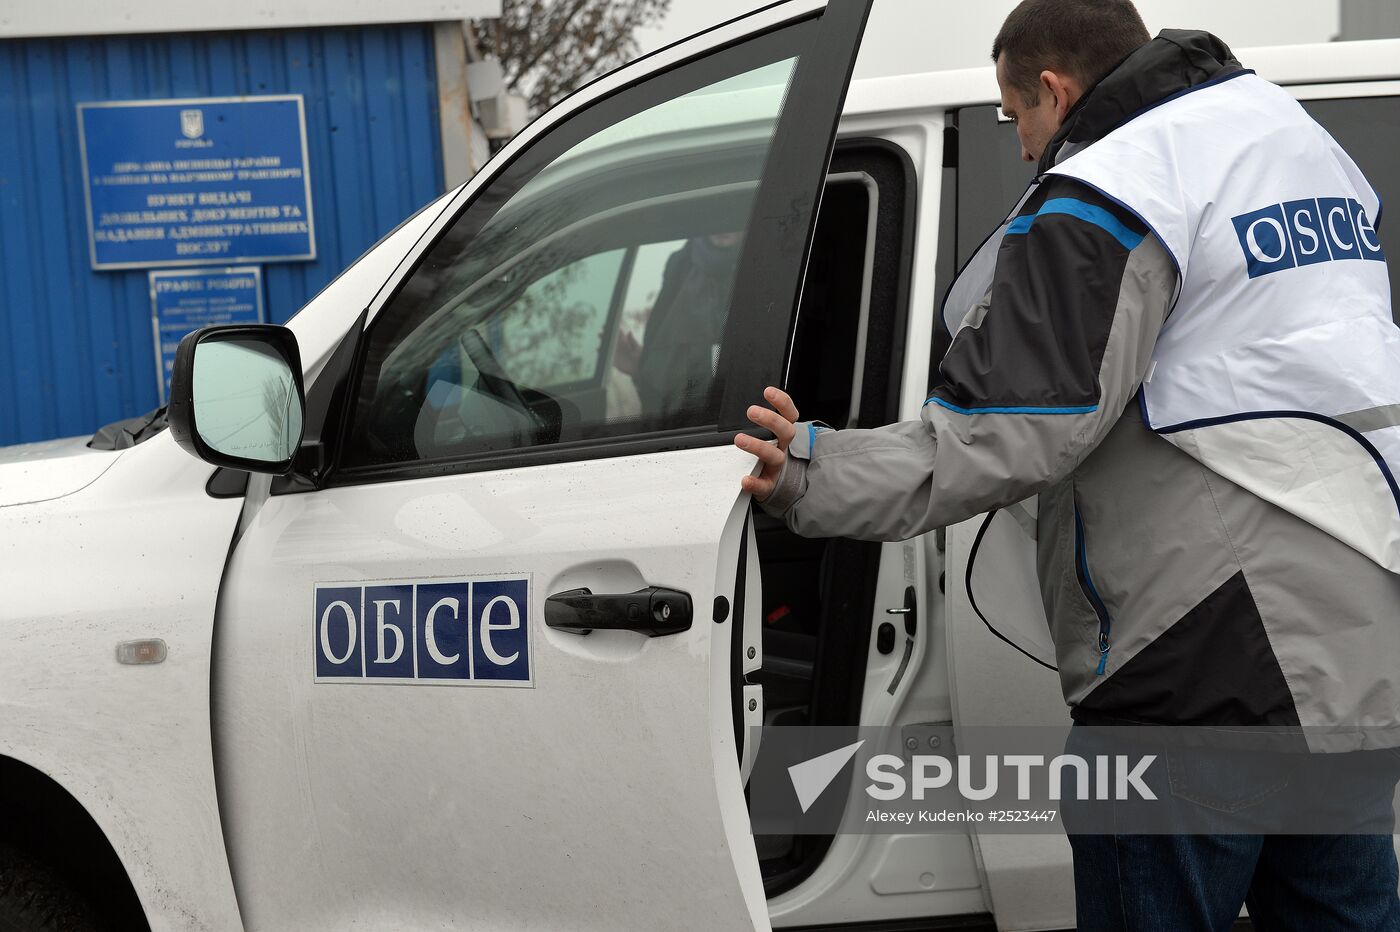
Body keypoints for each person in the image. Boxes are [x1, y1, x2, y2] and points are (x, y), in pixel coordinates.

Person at [736, 1, 1400, 929]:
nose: (1020, 149)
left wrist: (806, 470)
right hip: (1355, 630)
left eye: (1015, 118)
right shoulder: (1292, 140)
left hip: (1199, 660)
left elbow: (1009, 429)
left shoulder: (1114, 184)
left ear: (1054, 87)